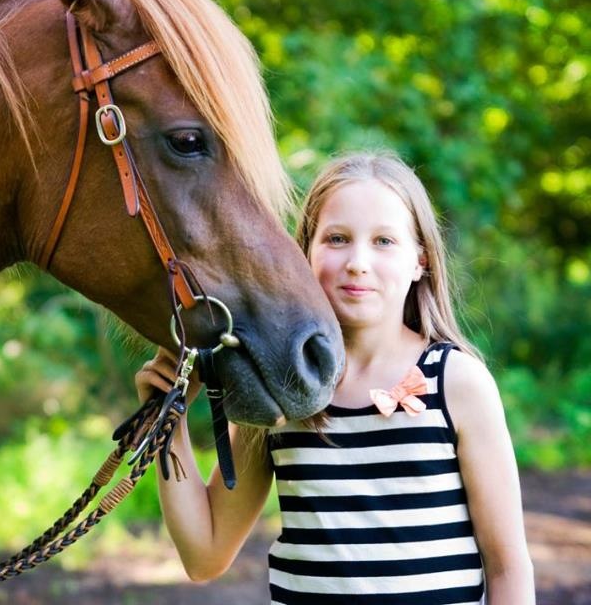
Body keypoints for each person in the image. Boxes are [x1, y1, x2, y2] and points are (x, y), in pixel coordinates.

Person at [136, 151, 535, 604]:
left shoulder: (457, 382)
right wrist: (166, 425)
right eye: (338, 239)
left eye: (384, 241)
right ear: (305, 252)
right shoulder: (279, 384)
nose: (358, 262)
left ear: (419, 260)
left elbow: (508, 567)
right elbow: (204, 555)